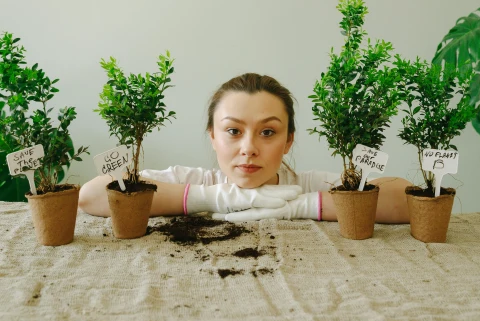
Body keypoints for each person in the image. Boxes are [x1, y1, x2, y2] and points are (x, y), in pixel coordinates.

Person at [78, 73, 410, 224]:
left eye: (268, 132)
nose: (249, 148)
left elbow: (407, 199)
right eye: (233, 131)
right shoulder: (191, 180)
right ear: (212, 136)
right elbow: (91, 196)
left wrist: (304, 205)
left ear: (289, 140)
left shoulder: (307, 186)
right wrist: (214, 198)